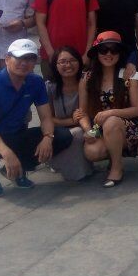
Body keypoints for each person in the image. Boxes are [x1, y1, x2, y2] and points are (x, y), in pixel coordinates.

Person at [0, 39, 72, 197]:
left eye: (29, 59)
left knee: (62, 136)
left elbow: (46, 117)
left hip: (16, 133)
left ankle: (18, 169)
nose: (24, 63)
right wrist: (7, 153)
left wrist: (48, 137)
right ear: (7, 59)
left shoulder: (35, 82)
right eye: (19, 58)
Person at [79, 32, 138, 187]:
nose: (109, 54)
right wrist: (88, 130)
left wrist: (110, 113)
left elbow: (137, 110)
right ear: (97, 53)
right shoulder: (87, 78)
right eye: (104, 50)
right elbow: (82, 112)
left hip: (129, 126)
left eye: (114, 50)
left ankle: (116, 167)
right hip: (99, 128)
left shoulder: (130, 75)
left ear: (120, 53)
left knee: (111, 122)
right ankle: (114, 154)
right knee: (92, 151)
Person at [45, 46, 94, 181]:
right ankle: (76, 171)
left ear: (79, 62)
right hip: (60, 132)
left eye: (72, 60)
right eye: (62, 62)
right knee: (77, 133)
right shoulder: (50, 86)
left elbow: (87, 113)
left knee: (80, 133)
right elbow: (47, 118)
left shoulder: (86, 82)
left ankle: (79, 168)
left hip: (87, 126)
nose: (68, 65)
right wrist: (70, 121)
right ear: (55, 65)